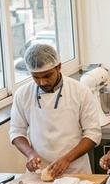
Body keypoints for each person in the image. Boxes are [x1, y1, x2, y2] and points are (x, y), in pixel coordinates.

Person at [9, 43, 101, 177]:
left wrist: (67, 159)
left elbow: (93, 134)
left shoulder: (80, 91)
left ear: (59, 67)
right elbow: (17, 132)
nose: (42, 82)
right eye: (36, 77)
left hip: (75, 171)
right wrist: (30, 154)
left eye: (47, 76)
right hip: (39, 172)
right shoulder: (23, 94)